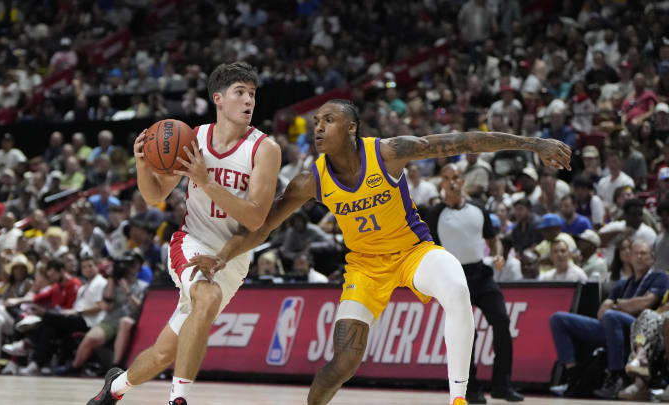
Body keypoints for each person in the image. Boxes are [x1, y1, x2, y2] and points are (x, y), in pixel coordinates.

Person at [187, 99, 571, 405]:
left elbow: (463, 140)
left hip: (412, 252)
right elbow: (264, 226)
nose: (318, 127)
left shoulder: (388, 153)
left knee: (456, 289)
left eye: (329, 120)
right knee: (342, 364)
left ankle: (458, 398)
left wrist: (532, 143)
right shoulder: (311, 180)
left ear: (351, 128)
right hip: (364, 270)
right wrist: (221, 256)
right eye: (316, 121)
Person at [87, 61, 282, 405]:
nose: (249, 101)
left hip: (233, 257)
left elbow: (255, 219)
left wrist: (206, 181)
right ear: (218, 99)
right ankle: (178, 400)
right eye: (240, 93)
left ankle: (114, 389)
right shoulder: (195, 138)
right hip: (191, 242)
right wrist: (142, 164)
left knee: (164, 353)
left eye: (252, 94)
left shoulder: (265, 149)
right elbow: (155, 197)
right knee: (206, 297)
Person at [425, 163, 524, 402]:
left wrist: (498, 253)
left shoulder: (478, 209)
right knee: (466, 332)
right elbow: (429, 250)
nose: (452, 181)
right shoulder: (435, 214)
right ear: (442, 184)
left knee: (501, 321)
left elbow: (493, 239)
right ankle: (471, 389)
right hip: (454, 278)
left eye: (456, 177)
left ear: (462, 181)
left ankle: (502, 385)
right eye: (446, 178)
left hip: (481, 274)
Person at [549, 240, 668, 399]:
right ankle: (572, 375)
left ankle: (615, 376)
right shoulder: (622, 283)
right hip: (610, 327)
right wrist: (625, 306)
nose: (639, 257)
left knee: (612, 316)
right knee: (558, 319)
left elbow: (646, 303)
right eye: (636, 253)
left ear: (652, 258)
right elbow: (601, 311)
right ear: (629, 257)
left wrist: (617, 305)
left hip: (639, 330)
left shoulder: (659, 277)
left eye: (643, 254)